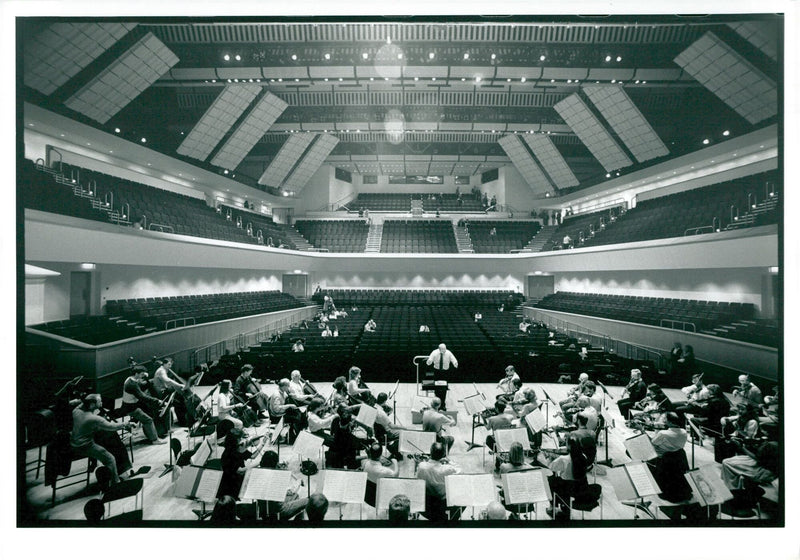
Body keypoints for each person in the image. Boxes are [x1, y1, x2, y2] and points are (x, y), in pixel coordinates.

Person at [70, 394, 137, 485]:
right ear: (92, 405)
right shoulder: (93, 418)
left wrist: (81, 401)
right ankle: (115, 482)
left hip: (75, 442)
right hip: (85, 446)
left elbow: (80, 405)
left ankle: (119, 473)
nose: (102, 402)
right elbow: (112, 427)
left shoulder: (76, 411)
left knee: (109, 441)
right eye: (99, 401)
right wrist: (126, 424)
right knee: (110, 459)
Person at [120, 365, 166, 442]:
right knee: (148, 420)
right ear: (136, 374)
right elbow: (142, 396)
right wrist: (157, 400)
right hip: (131, 407)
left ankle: (131, 423)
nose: (142, 375)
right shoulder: (132, 384)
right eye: (141, 374)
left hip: (129, 404)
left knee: (147, 409)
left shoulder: (130, 379)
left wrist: (147, 379)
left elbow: (139, 384)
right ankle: (155, 440)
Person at [416, 442, 461, 521]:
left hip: (427, 503)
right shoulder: (447, 469)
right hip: (442, 503)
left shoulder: (421, 466)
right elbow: (459, 469)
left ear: (430, 452)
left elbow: (418, 477)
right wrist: (449, 461)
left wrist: (426, 461)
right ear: (443, 454)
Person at [257, 451, 308, 520]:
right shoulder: (276, 476)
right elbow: (292, 490)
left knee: (296, 496)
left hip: (263, 509)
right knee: (306, 500)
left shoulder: (258, 473)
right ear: (275, 463)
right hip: (279, 511)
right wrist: (298, 482)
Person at [218, 428, 265, 500]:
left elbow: (253, 456)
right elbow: (241, 471)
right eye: (239, 438)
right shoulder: (229, 454)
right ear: (234, 441)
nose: (242, 440)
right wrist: (260, 463)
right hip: (231, 486)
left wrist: (262, 444)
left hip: (237, 479)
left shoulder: (237, 447)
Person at [328, 404, 371, 470]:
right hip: (343, 456)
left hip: (335, 450)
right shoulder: (348, 437)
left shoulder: (336, 420)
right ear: (349, 423)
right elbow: (359, 445)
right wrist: (368, 456)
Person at [362, 442, 399, 506]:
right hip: (378, 498)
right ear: (381, 454)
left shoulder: (364, 463)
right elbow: (396, 475)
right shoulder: (384, 471)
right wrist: (395, 462)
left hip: (367, 496)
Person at [426, 343, 458, 408]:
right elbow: (430, 360)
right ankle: (436, 403)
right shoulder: (434, 352)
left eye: (445, 349)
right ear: (439, 349)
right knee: (437, 388)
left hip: (445, 372)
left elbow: (453, 359)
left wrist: (455, 363)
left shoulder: (448, 352)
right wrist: (429, 362)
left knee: (444, 388)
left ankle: (443, 403)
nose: (444, 350)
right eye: (443, 349)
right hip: (437, 371)